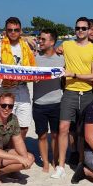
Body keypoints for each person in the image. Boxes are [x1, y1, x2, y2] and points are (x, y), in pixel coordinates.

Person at [56, 17, 93, 178]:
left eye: (83, 28)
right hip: (69, 92)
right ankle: (60, 165)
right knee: (63, 128)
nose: (80, 31)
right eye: (78, 28)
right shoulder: (67, 45)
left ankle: (82, 163)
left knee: (83, 132)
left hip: (88, 93)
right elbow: (54, 51)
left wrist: (73, 74)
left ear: (89, 30)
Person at [0, 17, 36, 147]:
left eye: (16, 30)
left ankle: (14, 150)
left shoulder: (26, 46)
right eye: (10, 30)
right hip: (5, 89)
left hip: (23, 89)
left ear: (20, 31)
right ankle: (5, 151)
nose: (13, 32)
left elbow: (34, 65)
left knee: (24, 126)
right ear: (6, 31)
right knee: (5, 125)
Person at [33, 29, 65, 173]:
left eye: (43, 39)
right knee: (42, 135)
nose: (40, 41)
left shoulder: (61, 58)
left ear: (52, 42)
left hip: (56, 102)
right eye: (39, 39)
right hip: (39, 103)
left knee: (56, 135)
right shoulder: (34, 58)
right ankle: (45, 162)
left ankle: (54, 160)